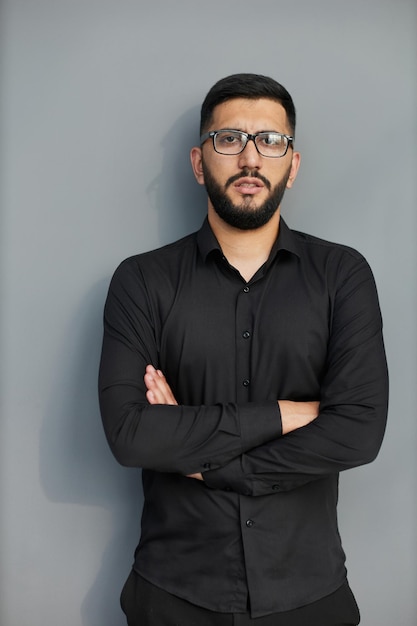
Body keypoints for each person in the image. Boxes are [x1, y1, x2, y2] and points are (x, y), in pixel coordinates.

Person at [98, 73, 388, 626]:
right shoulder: (142, 281)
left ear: (292, 165)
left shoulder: (342, 276)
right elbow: (130, 433)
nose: (250, 157)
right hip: (173, 595)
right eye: (228, 139)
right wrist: (287, 414)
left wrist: (203, 458)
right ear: (198, 161)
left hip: (310, 597)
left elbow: (359, 431)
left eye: (269, 140)